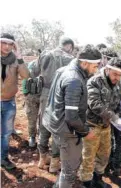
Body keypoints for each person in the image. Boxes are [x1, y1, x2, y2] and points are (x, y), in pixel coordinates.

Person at [42, 44, 101, 188]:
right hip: (67, 131)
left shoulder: (64, 70)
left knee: (66, 166)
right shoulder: (74, 79)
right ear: (84, 63)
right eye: (95, 66)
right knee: (69, 172)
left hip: (56, 124)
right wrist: (86, 132)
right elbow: (71, 117)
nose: (96, 70)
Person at [79, 57, 121, 188]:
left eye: (119, 75)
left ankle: (98, 179)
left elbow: (118, 102)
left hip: (106, 126)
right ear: (107, 69)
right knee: (88, 157)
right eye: (114, 74)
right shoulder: (94, 81)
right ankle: (86, 183)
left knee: (104, 155)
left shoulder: (118, 83)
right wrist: (114, 117)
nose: (117, 77)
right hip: (92, 126)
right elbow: (94, 104)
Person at [33, 37, 75, 173]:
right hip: (59, 95)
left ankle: (42, 159)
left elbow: (33, 72)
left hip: (45, 93)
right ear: (69, 46)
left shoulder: (45, 54)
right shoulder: (70, 59)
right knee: (57, 128)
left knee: (43, 124)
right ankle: (54, 164)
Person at [1, 33, 30, 169]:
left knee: (6, 133)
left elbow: (26, 76)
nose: (7, 47)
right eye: (4, 43)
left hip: (8, 102)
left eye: (10, 44)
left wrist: (19, 58)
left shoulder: (15, 60)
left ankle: (3, 158)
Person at [22, 59, 41, 147]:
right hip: (31, 96)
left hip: (43, 96)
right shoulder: (32, 64)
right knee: (32, 118)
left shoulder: (49, 65)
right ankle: (32, 137)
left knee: (43, 119)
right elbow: (25, 77)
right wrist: (25, 91)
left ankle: (41, 137)